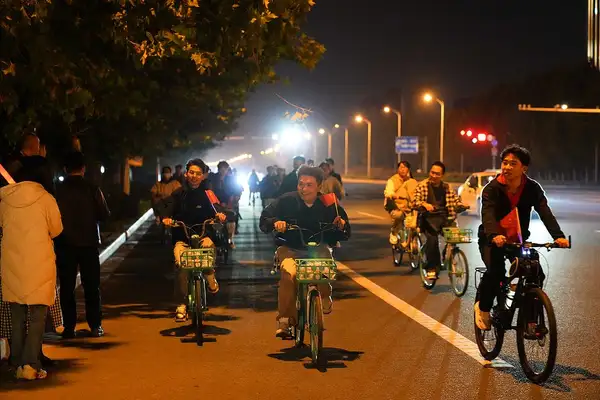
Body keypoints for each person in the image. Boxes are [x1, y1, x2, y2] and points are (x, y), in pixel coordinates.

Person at [474, 145, 569, 330]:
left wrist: (558, 237)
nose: (507, 167)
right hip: (491, 239)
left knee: (535, 271)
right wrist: (494, 235)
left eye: (513, 164)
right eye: (505, 163)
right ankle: (483, 308)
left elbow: (544, 211)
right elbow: (488, 215)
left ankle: (530, 321)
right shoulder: (491, 189)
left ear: (523, 168)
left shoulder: (532, 188)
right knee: (496, 272)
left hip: (517, 239)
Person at [260, 166, 351, 338]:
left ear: (319, 186)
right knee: (289, 273)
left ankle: (324, 295)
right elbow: (265, 219)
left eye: (309, 185)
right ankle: (285, 320)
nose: (304, 188)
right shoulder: (286, 200)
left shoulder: (330, 203)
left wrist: (341, 225)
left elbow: (345, 232)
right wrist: (276, 223)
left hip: (318, 248)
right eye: (301, 184)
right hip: (289, 248)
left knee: (324, 265)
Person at [0, 158, 63, 380]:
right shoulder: (46, 199)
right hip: (39, 264)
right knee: (37, 316)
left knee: (16, 315)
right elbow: (56, 229)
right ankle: (31, 364)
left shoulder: (5, 198)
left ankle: (17, 362)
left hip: (11, 264)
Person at [159, 159, 227, 322]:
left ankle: (210, 274)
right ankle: (181, 305)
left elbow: (218, 208)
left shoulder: (208, 193)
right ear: (186, 174)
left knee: (209, 249)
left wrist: (220, 215)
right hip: (182, 239)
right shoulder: (178, 193)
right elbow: (165, 209)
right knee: (181, 265)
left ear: (203, 175)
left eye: (198, 173)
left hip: (203, 236)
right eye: (191, 173)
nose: (194, 176)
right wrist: (166, 218)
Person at [55, 151, 111, 338]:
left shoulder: (57, 190)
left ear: (65, 169)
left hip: (64, 243)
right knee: (92, 286)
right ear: (83, 169)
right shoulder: (92, 188)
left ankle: (69, 327)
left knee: (67, 286)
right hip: (88, 243)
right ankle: (95, 325)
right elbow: (104, 214)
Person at [412, 161, 465, 279]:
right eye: (432, 172)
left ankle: (447, 256)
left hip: (444, 218)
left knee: (454, 236)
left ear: (442, 175)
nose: (434, 176)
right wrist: (424, 204)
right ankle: (431, 268)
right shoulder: (422, 186)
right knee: (432, 240)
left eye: (437, 174)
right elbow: (414, 201)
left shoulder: (446, 187)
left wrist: (461, 205)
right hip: (427, 220)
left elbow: (455, 200)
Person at [384, 161, 418, 246]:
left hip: (410, 207)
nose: (403, 169)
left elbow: (417, 191)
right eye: (401, 167)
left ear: (408, 170)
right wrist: (393, 195)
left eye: (405, 167)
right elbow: (388, 191)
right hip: (396, 207)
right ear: (398, 169)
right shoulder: (392, 180)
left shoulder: (412, 181)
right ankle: (394, 231)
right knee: (399, 215)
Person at [151, 166, 182, 242]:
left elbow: (180, 195)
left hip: (172, 210)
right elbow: (153, 195)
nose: (166, 174)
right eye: (164, 173)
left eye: (167, 173)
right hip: (161, 210)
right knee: (161, 229)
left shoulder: (175, 184)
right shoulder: (158, 185)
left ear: (171, 174)